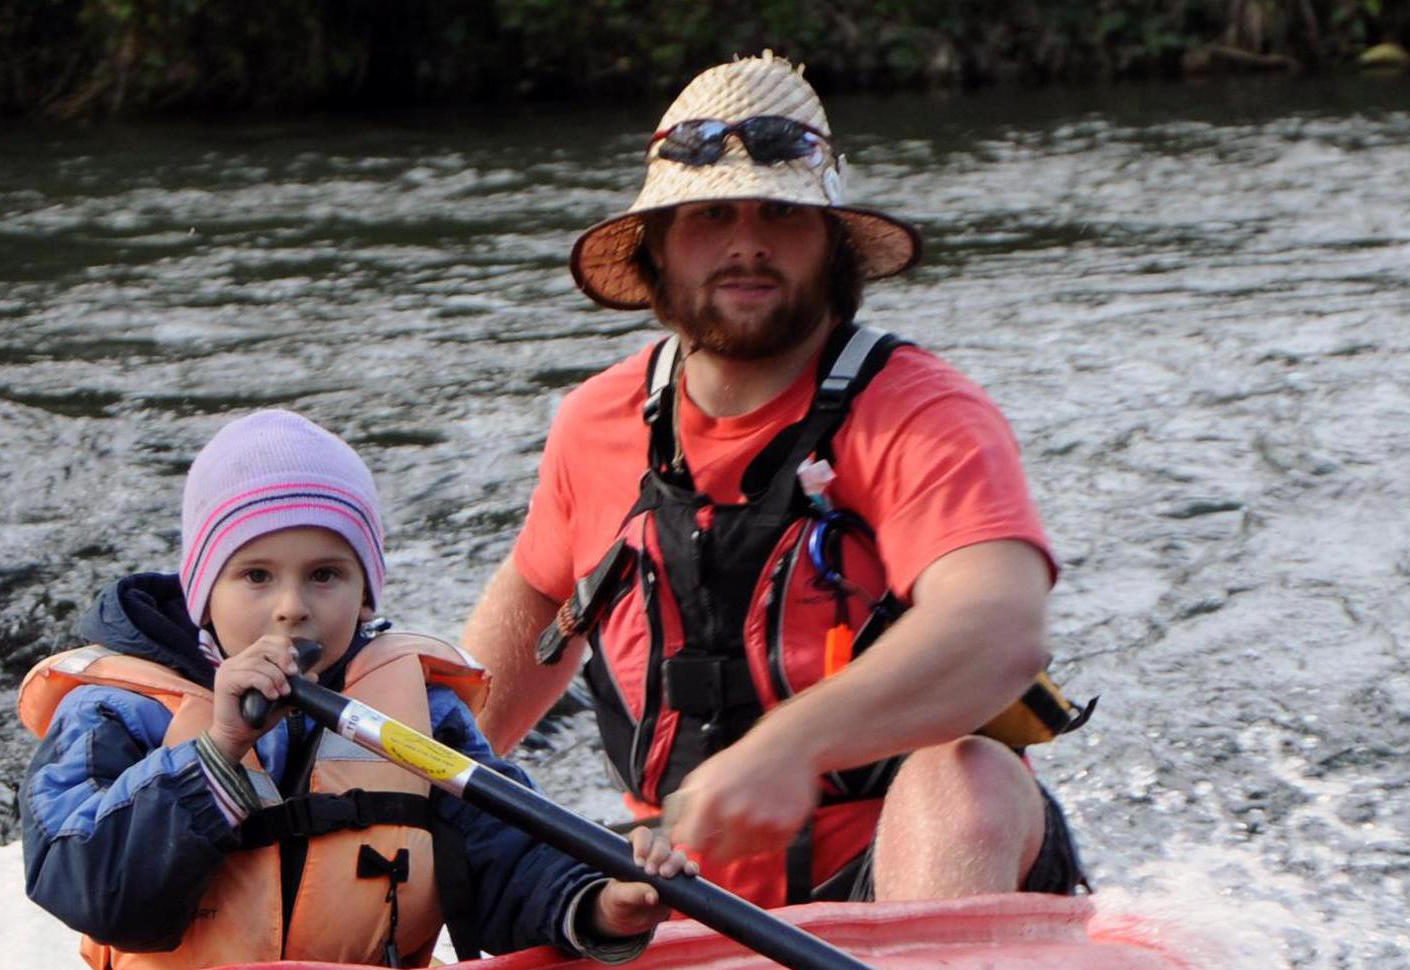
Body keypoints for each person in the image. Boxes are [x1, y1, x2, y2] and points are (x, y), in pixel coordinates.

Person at [460, 52, 1091, 911]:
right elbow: (522, 626)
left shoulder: (923, 411)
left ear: (832, 248)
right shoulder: (595, 423)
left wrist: (793, 744)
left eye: (782, 215)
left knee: (966, 779)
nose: (747, 244)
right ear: (656, 250)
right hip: (675, 892)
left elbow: (1001, 629)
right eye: (711, 214)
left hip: (902, 884)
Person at [19, 409, 684, 970]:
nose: (291, 607)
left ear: (366, 594)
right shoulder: (115, 709)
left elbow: (505, 856)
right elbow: (89, 888)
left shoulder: (421, 713)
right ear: (202, 591)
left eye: (325, 575)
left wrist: (598, 902)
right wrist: (220, 750)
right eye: (255, 576)